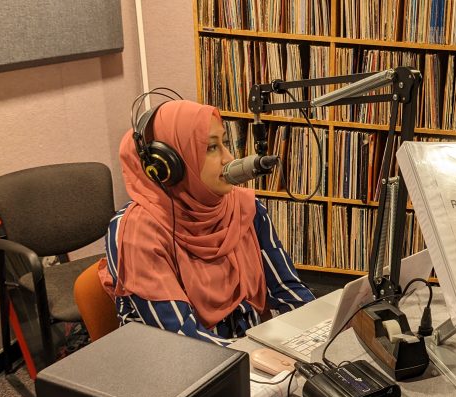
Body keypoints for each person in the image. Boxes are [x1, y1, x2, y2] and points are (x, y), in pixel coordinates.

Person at [98, 99, 314, 345]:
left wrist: (318, 331)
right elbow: (182, 339)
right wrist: (261, 356)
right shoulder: (136, 232)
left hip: (251, 354)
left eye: (224, 143)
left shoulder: (245, 209)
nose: (229, 158)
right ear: (168, 166)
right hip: (180, 367)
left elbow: (288, 290)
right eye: (211, 147)